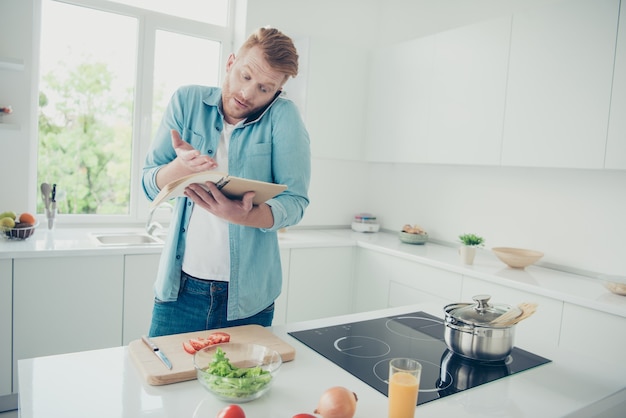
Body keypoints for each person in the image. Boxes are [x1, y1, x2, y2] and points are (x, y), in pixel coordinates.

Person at [142, 27, 311, 337]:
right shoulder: (186, 101)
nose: (248, 94)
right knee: (163, 380)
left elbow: (296, 202)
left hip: (249, 301)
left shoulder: (283, 117)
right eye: (245, 76)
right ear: (231, 62)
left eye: (265, 88)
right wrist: (179, 168)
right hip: (179, 293)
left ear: (277, 92)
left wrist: (247, 216)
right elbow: (149, 184)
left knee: (240, 385)